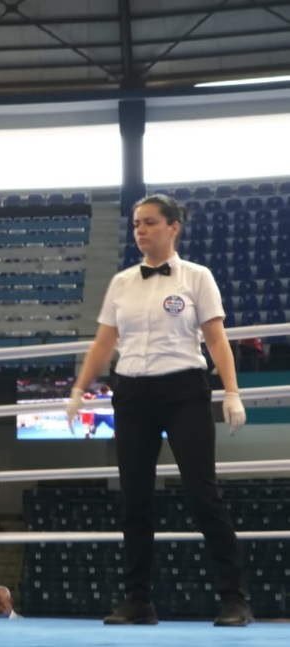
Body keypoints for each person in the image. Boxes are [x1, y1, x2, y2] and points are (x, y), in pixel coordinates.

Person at [66, 194, 252, 627]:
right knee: (134, 500)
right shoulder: (121, 282)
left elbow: (216, 338)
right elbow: (104, 344)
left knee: (204, 494)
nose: (140, 231)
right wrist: (79, 389)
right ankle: (137, 600)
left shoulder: (197, 277)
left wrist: (232, 391)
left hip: (184, 389)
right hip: (131, 392)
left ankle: (235, 598)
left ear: (173, 227)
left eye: (149, 222)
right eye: (136, 224)